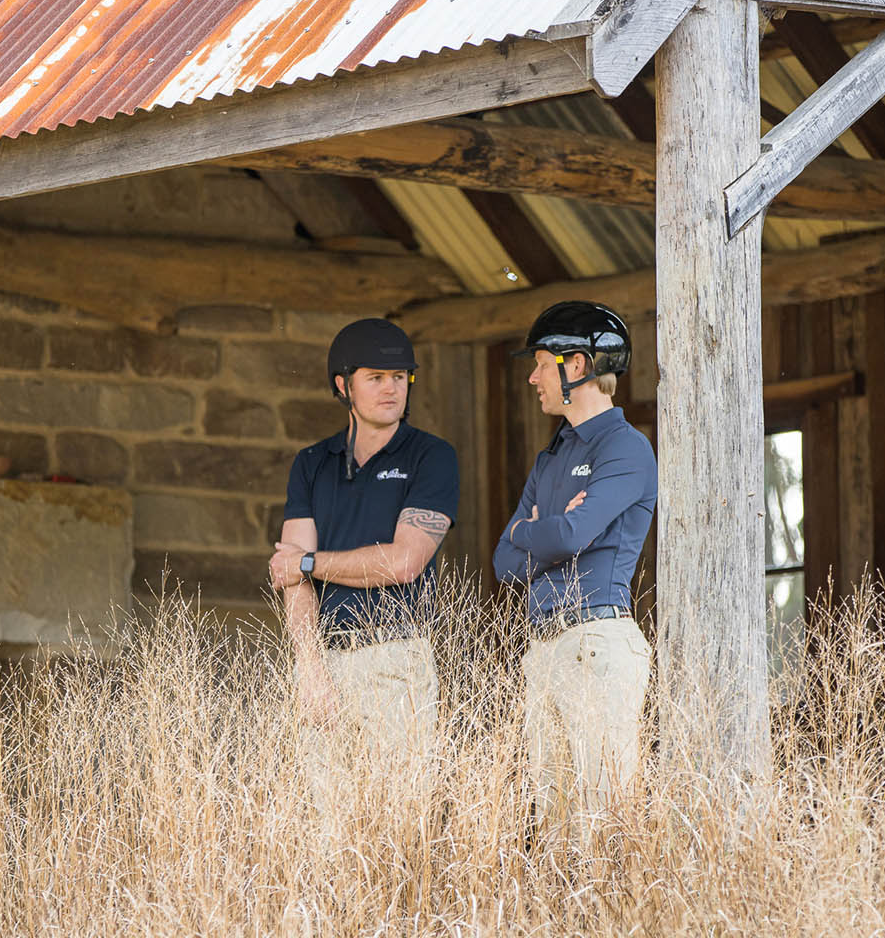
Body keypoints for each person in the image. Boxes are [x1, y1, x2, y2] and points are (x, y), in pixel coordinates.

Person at [268, 318, 459, 823]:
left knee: (397, 829)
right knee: (329, 830)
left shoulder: (432, 457)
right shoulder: (311, 464)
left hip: (396, 656)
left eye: (401, 376)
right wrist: (308, 668)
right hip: (324, 661)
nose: (392, 387)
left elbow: (404, 562)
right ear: (342, 385)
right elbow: (291, 578)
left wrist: (311, 563)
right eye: (375, 377)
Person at [492, 300, 658, 835]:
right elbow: (504, 563)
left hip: (598, 642)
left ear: (579, 366)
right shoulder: (552, 458)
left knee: (604, 819)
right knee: (555, 827)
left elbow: (570, 534)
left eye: (542, 362)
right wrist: (532, 532)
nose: (532, 376)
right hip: (544, 647)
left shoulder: (627, 449)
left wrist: (533, 531)